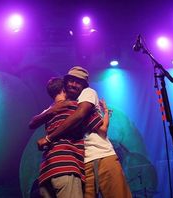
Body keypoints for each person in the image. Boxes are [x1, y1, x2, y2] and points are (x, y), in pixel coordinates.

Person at [38, 66, 132, 198]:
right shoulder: (62, 106)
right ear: (65, 83)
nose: (74, 84)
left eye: (79, 82)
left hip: (102, 155)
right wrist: (52, 110)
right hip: (81, 164)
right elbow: (33, 121)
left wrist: (48, 138)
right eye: (71, 80)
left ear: (84, 85)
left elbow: (87, 119)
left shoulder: (87, 94)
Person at [29, 77, 103, 198]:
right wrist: (104, 111)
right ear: (64, 89)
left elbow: (31, 123)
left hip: (46, 171)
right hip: (66, 166)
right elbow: (101, 127)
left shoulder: (49, 112)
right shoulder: (75, 107)